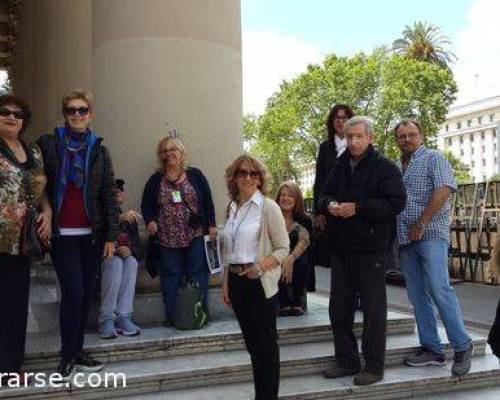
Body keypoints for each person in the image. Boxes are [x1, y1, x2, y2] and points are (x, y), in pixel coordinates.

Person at [37, 89, 120, 379]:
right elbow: (37, 183)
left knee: (85, 295)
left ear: (90, 114)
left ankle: (78, 350)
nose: (77, 115)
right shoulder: (48, 144)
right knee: (73, 292)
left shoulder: (99, 149)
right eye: (71, 110)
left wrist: (112, 235)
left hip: (91, 234)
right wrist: (44, 212)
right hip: (62, 234)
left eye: (82, 110)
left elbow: (108, 194)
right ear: (65, 114)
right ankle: (67, 355)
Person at [318, 116, 406, 386]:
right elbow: (323, 196)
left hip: (371, 249)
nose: (353, 141)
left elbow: (396, 203)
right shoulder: (339, 165)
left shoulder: (385, 167)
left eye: (358, 136)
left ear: (370, 137)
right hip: (342, 249)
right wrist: (330, 205)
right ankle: (346, 361)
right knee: (339, 309)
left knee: (373, 309)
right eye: (349, 136)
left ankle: (374, 366)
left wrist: (358, 207)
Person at [395, 119, 473, 376]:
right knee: (418, 296)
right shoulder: (397, 166)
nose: (407, 139)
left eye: (411, 134)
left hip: (430, 234)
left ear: (421, 135)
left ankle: (462, 346)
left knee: (440, 289)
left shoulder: (433, 158)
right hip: (406, 238)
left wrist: (423, 221)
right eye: (402, 136)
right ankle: (432, 349)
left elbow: (444, 190)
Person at [221, 154, 289, 400]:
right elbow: (228, 251)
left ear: (260, 179)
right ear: (234, 177)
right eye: (242, 173)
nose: (248, 178)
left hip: (260, 282)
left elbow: (283, 248)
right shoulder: (231, 207)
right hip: (238, 282)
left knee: (266, 348)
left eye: (253, 173)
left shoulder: (268, 207)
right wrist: (227, 282)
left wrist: (260, 267)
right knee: (252, 346)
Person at [0, 95, 51, 385]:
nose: (11, 118)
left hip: (20, 241)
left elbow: (40, 186)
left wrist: (48, 212)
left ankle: (10, 368)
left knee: (15, 306)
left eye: (18, 115)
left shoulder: (33, 150)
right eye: (4, 112)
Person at [141, 136, 217, 327]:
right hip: (167, 238)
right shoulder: (156, 179)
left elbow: (207, 201)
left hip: (195, 234)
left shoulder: (195, 175)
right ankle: (173, 315)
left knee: (197, 273)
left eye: (173, 149)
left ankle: (199, 313)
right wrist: (150, 221)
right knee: (170, 275)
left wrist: (212, 225)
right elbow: (147, 205)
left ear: (182, 153)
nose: (169, 153)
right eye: (164, 151)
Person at [312, 104, 355, 267]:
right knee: (332, 261)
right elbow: (319, 181)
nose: (340, 121)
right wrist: (318, 211)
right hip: (329, 209)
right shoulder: (325, 147)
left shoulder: (357, 145)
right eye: (336, 117)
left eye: (344, 117)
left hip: (351, 209)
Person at [99, 179, 142, 339]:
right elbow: (96, 242)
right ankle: (106, 318)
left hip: (123, 267)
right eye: (113, 191)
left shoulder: (129, 219)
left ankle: (124, 316)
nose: (118, 193)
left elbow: (138, 248)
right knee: (115, 261)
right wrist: (118, 219)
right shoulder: (100, 216)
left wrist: (129, 250)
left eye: (120, 191)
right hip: (102, 268)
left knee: (131, 261)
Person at [275, 181, 312, 316]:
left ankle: (297, 301)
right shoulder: (273, 218)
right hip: (277, 256)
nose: (285, 198)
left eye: (290, 195)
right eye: (282, 195)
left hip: (297, 257)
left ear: (296, 199)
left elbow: (304, 243)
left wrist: (290, 258)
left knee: (302, 261)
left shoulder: (304, 220)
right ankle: (284, 302)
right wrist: (283, 259)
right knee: (275, 262)